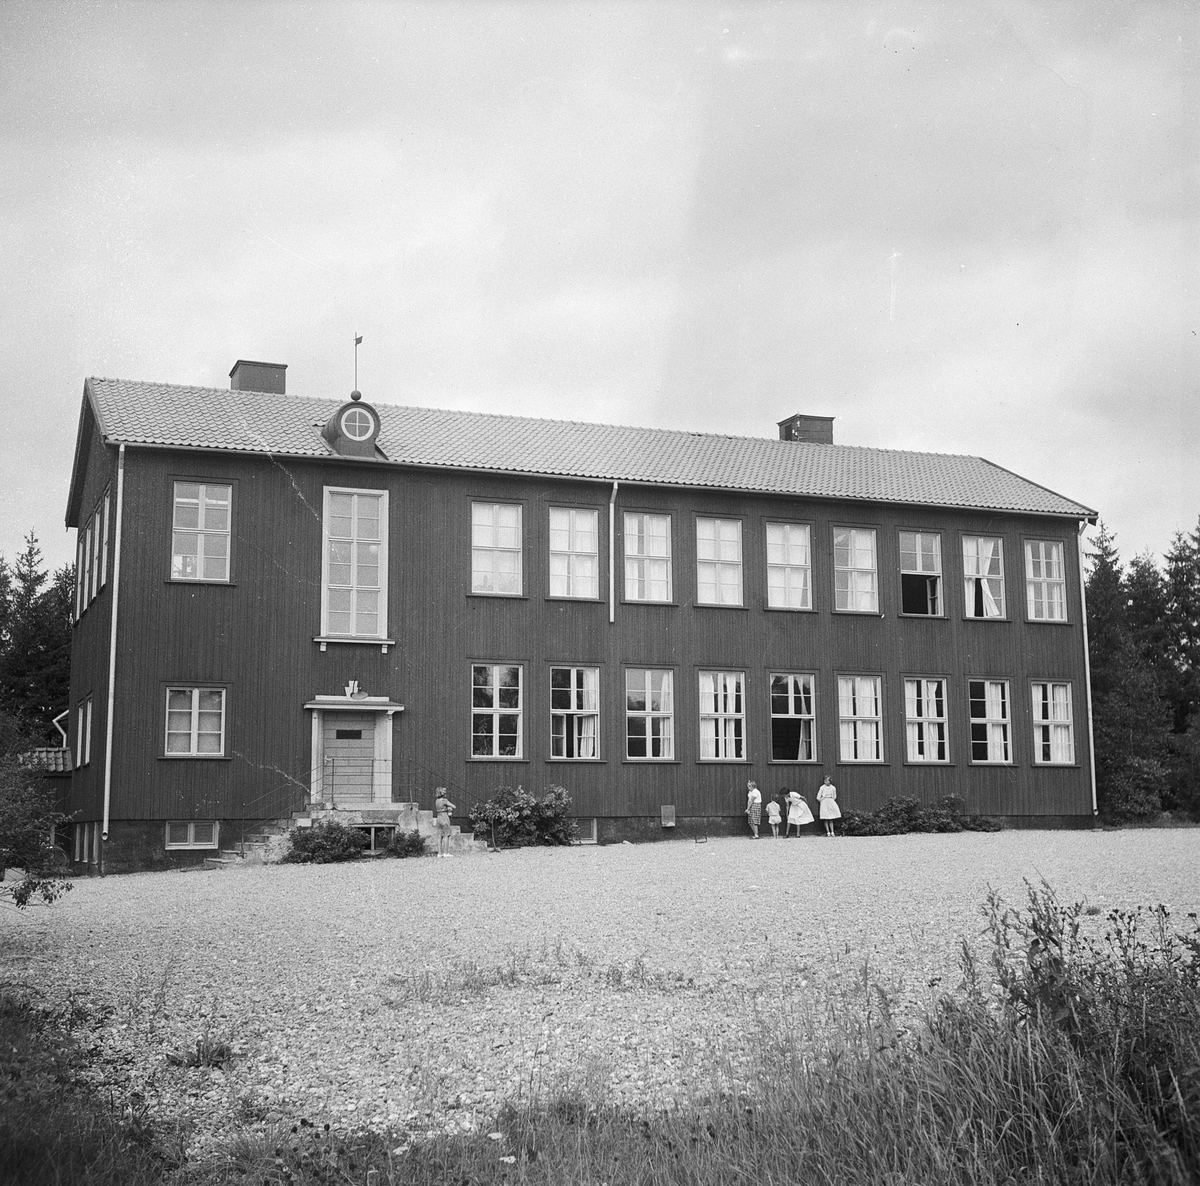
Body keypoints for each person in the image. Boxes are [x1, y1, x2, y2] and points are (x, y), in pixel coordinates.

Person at [433, 787, 456, 857]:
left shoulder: (437, 801)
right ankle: (446, 853)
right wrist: (449, 808)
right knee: (446, 835)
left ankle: (439, 853)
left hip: (438, 817)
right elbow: (454, 806)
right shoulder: (444, 800)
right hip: (444, 817)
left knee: (439, 836)